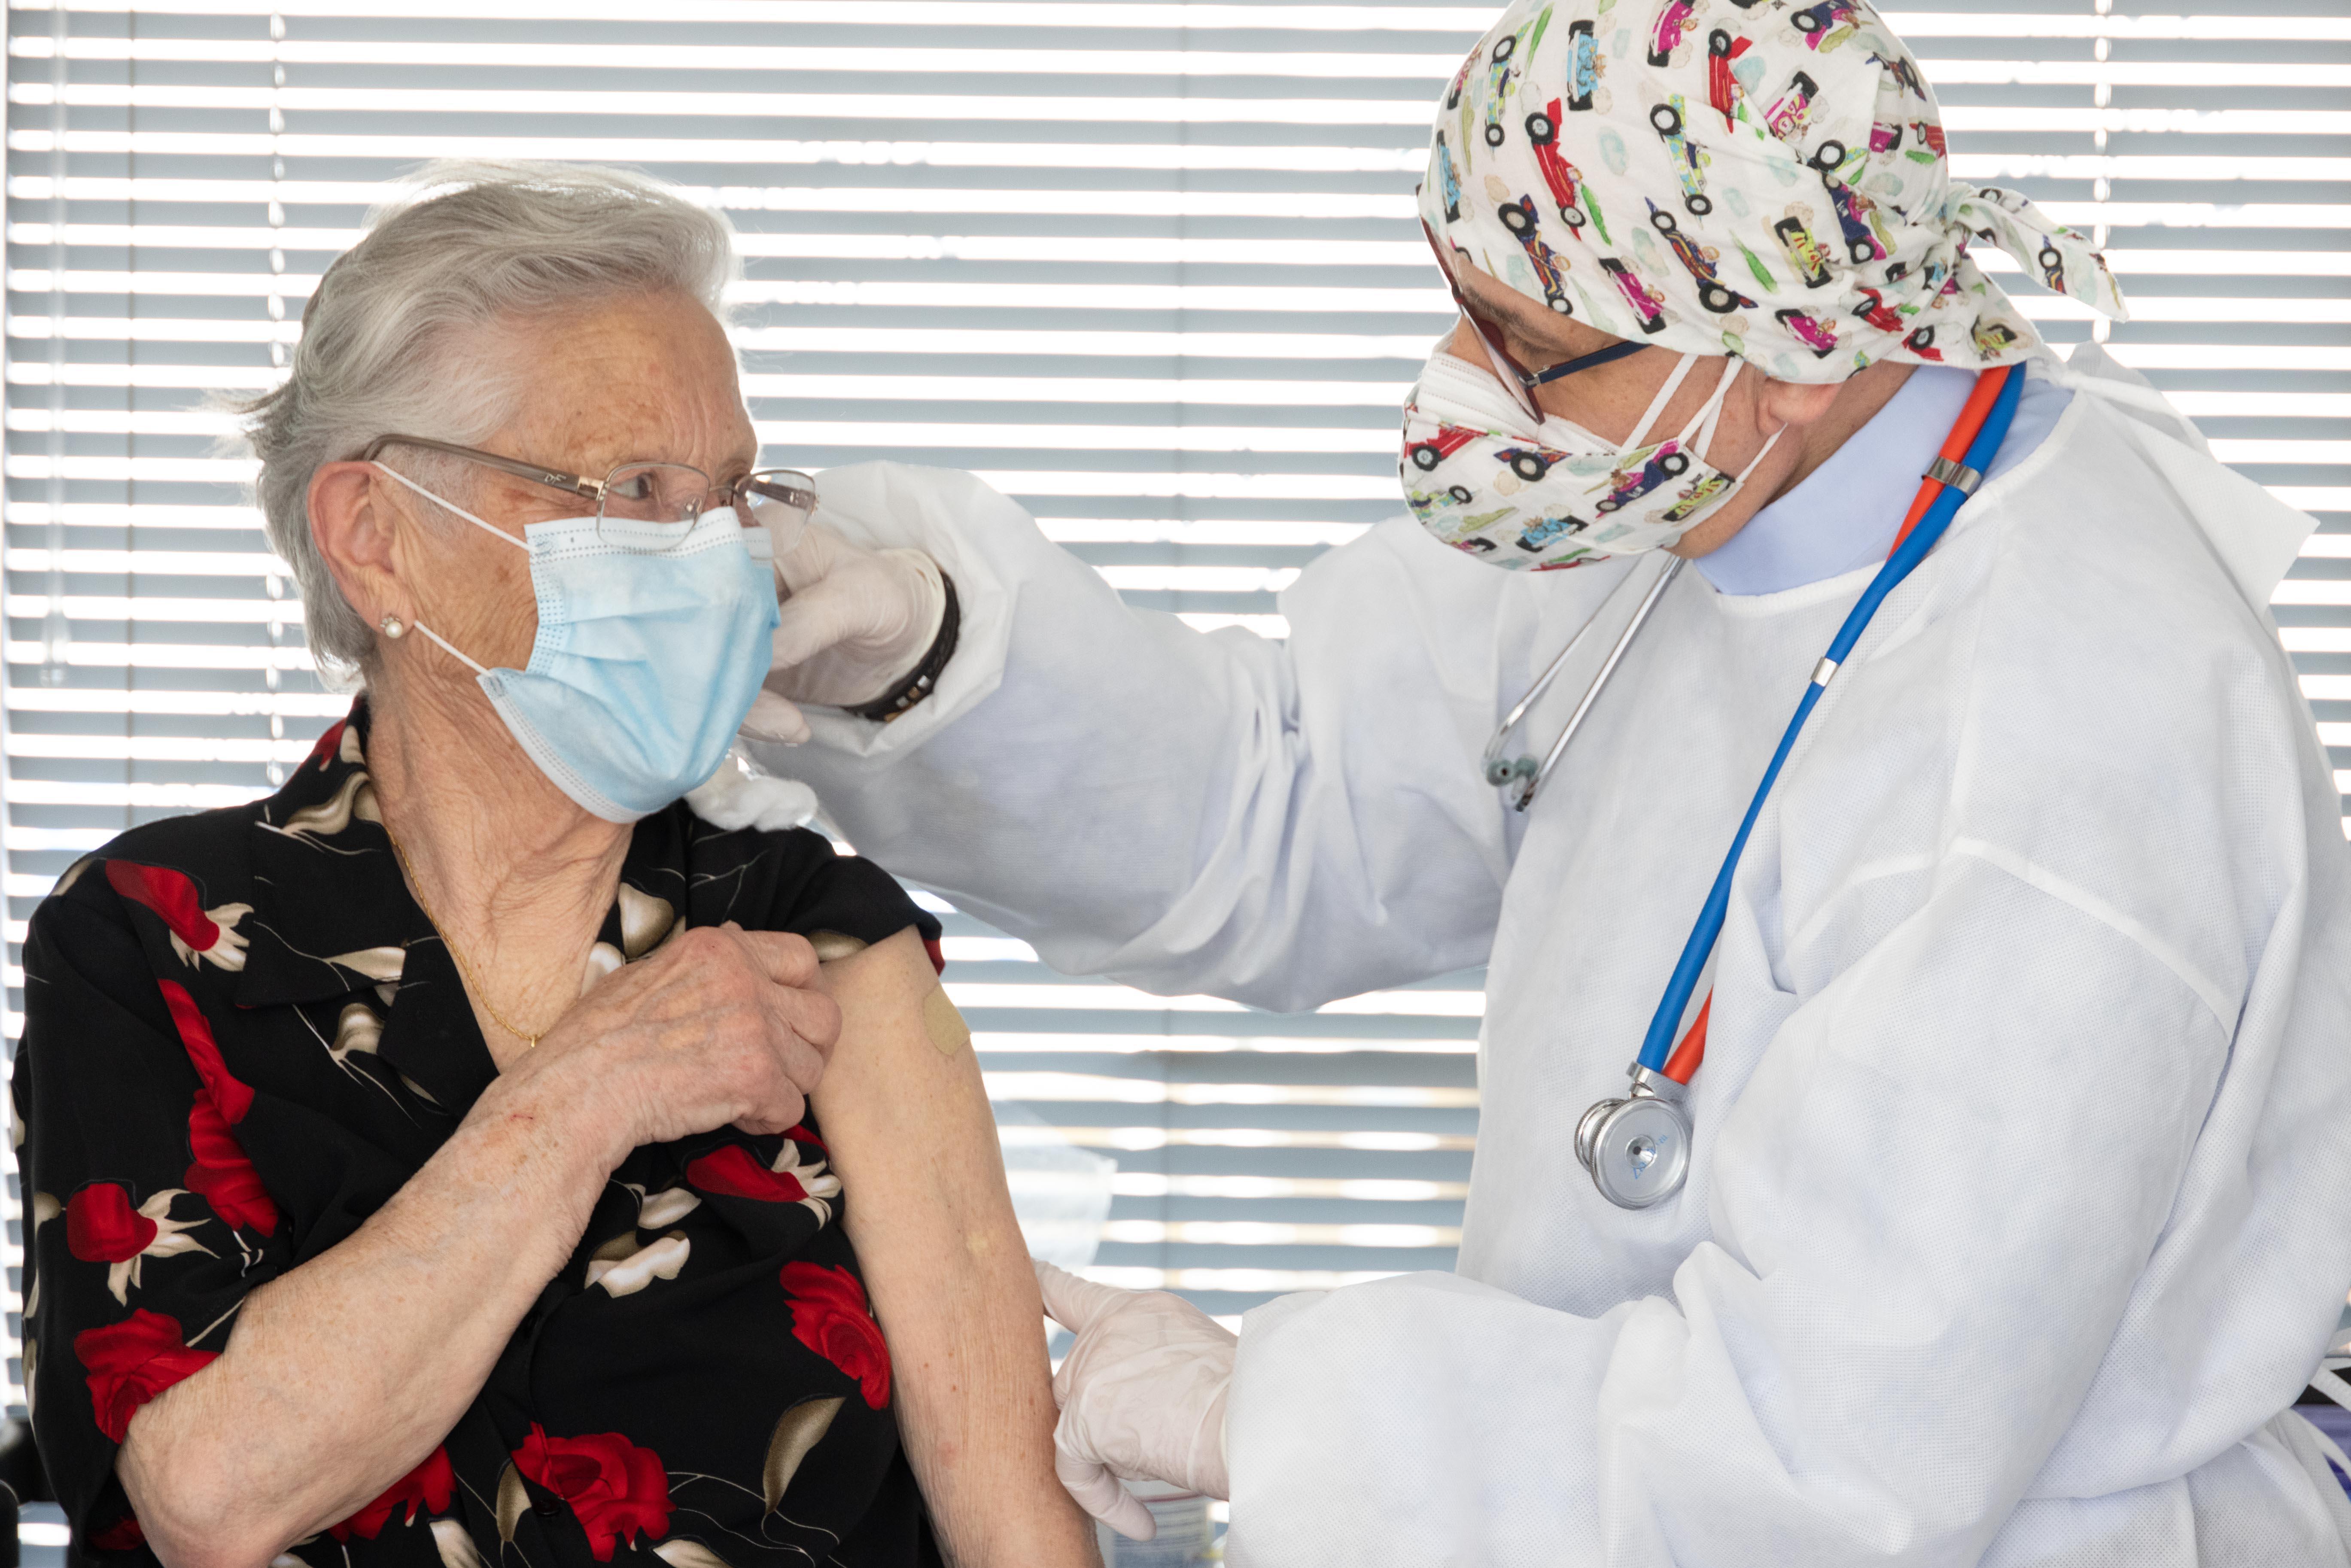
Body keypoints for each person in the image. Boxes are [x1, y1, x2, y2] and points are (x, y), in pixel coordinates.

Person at [738, 3, 2351, 1562]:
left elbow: (1825, 1460)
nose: (1462, 383)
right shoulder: (1687, 481)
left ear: (1784, 355)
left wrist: (1280, 1421)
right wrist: (931, 649)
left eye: (1524, 342)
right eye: (1460, 303)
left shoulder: (2061, 751)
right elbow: (1289, 789)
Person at [11, 163, 1098, 1568]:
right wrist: (587, 1091)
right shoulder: (158, 938)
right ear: (377, 540)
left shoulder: (810, 928)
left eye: (729, 493)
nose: (709, 554)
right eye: (632, 488)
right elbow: (206, 1494)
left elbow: (1014, 1525)